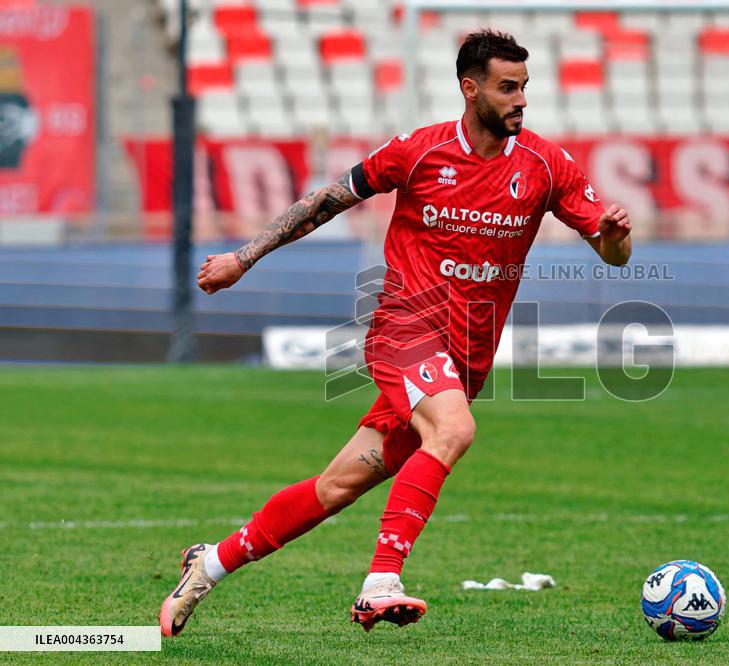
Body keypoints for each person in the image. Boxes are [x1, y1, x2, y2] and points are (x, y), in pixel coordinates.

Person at [159, 29, 631, 637]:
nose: (520, 100)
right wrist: (244, 258)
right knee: (454, 429)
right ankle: (380, 582)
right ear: (470, 89)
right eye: (506, 88)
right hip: (403, 329)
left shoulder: (545, 165)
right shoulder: (419, 151)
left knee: (337, 486)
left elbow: (614, 253)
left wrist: (614, 237)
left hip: (466, 361)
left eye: (523, 88)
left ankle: (208, 565)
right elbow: (327, 200)